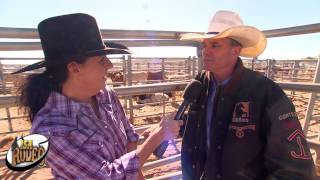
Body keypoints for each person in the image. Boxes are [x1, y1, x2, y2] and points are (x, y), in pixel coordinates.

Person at [14, 13, 180, 179]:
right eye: (101, 59)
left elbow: (129, 137)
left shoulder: (105, 94)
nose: (110, 64)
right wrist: (157, 137)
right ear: (74, 68)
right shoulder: (52, 129)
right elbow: (106, 177)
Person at [180, 10, 316, 180]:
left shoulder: (266, 93)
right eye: (204, 45)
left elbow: (296, 170)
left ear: (235, 51)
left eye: (215, 45)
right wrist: (177, 125)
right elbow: (207, 125)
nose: (205, 52)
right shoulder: (201, 83)